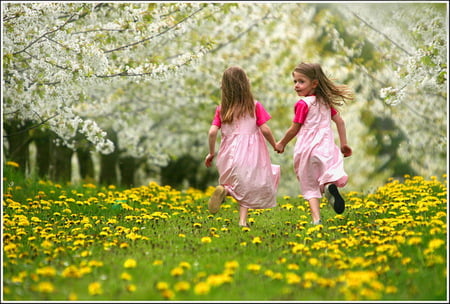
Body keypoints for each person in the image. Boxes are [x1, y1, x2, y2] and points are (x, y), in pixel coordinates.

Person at [275, 62, 353, 225]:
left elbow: (294, 129)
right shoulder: (325, 103)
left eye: (301, 81)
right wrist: (344, 144)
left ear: (314, 83)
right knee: (327, 175)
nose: (296, 85)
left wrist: (282, 143)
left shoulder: (303, 104)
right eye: (295, 81)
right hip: (326, 148)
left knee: (310, 185)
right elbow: (340, 122)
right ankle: (329, 187)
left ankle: (316, 219)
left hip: (307, 149)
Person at [205, 66, 280, 227]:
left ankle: (224, 191)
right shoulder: (254, 106)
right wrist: (275, 144)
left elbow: (212, 132)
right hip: (250, 152)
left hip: (228, 152)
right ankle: (242, 221)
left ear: (224, 87)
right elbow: (265, 129)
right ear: (246, 84)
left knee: (233, 183)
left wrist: (211, 153)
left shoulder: (221, 109)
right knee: (246, 185)